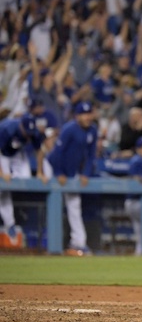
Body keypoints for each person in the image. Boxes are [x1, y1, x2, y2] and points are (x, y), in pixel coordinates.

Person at [47, 101, 97, 256]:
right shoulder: (69, 129)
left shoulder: (92, 131)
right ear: (77, 116)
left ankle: (78, 243)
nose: (87, 117)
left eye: (89, 114)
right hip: (54, 167)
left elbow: (90, 156)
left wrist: (85, 173)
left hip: (72, 172)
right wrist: (59, 172)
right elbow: (56, 154)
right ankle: (53, 244)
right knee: (54, 204)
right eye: (84, 114)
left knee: (74, 205)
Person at [0, 113, 47, 242]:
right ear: (21, 125)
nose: (28, 134)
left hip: (15, 153)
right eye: (26, 131)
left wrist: (39, 172)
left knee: (25, 178)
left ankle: (11, 222)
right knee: (3, 189)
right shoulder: (7, 129)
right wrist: (2, 172)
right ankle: (9, 224)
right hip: (2, 152)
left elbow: (39, 151)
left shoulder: (34, 132)